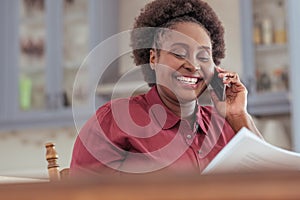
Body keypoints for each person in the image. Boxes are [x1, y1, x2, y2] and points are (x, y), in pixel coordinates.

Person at [70, 0, 263, 176]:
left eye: (203, 57)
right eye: (179, 53)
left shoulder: (224, 126)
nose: (193, 65)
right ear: (153, 59)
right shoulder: (115, 120)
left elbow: (270, 185)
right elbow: (79, 194)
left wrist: (238, 116)